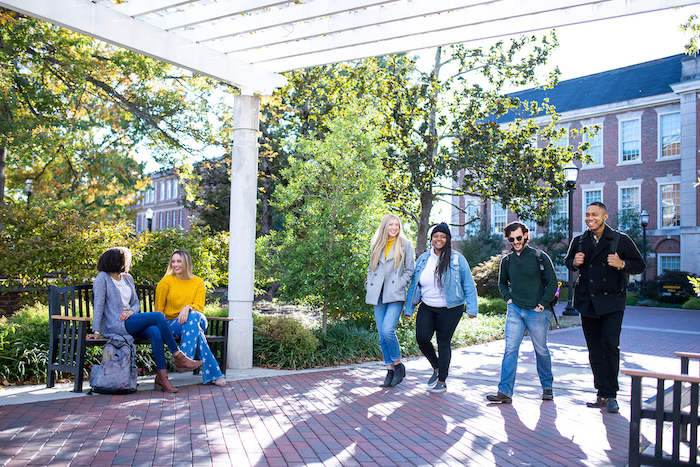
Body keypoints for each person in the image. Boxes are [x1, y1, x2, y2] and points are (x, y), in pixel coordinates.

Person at [564, 202, 645, 413]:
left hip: (612, 302)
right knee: (594, 349)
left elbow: (640, 264)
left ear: (605, 217)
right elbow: (568, 261)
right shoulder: (579, 240)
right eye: (587, 215)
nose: (590, 218)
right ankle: (600, 392)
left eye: (595, 215)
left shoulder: (620, 239)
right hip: (587, 302)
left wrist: (623, 264)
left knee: (609, 346)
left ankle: (611, 394)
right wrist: (574, 262)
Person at [89, 247, 203, 393]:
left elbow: (136, 303)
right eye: (128, 260)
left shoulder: (127, 278)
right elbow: (98, 305)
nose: (130, 264)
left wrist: (130, 311)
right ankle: (177, 354)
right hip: (116, 324)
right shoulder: (102, 278)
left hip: (130, 320)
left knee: (155, 331)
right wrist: (96, 331)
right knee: (158, 316)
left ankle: (162, 378)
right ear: (118, 261)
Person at [486, 221, 557, 404]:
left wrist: (542, 304)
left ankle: (547, 387)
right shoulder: (507, 261)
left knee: (541, 350)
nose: (516, 242)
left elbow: (552, 284)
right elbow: (502, 283)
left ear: (526, 235)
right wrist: (508, 300)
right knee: (510, 350)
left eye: (519, 237)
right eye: (512, 239)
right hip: (515, 310)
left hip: (537, 312)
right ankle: (504, 392)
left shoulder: (539, 256)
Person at [405, 222, 478, 393]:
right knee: (422, 338)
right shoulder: (423, 258)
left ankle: (442, 380)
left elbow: (468, 283)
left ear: (447, 239)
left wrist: (472, 309)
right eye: (436, 236)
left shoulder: (457, 258)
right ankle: (437, 367)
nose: (439, 239)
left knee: (443, 342)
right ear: (431, 239)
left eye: (443, 236)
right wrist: (409, 308)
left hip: (451, 308)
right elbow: (414, 285)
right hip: (427, 305)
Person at [155, 249, 226, 387]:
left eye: (179, 261)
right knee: (198, 333)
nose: (175, 264)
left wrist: (187, 307)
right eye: (173, 261)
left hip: (196, 318)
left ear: (186, 263)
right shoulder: (166, 281)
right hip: (173, 324)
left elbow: (199, 307)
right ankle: (215, 374)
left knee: (193, 317)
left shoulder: (198, 282)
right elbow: (158, 311)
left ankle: (184, 357)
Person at [365, 214, 416, 387]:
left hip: (394, 294)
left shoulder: (405, 244)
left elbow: (410, 270)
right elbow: (370, 269)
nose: (394, 228)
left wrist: (400, 284)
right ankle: (390, 370)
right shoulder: (377, 244)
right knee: (381, 335)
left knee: (388, 330)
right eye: (391, 225)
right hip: (377, 293)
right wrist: (368, 284)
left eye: (397, 225)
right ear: (385, 226)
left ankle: (398, 365)